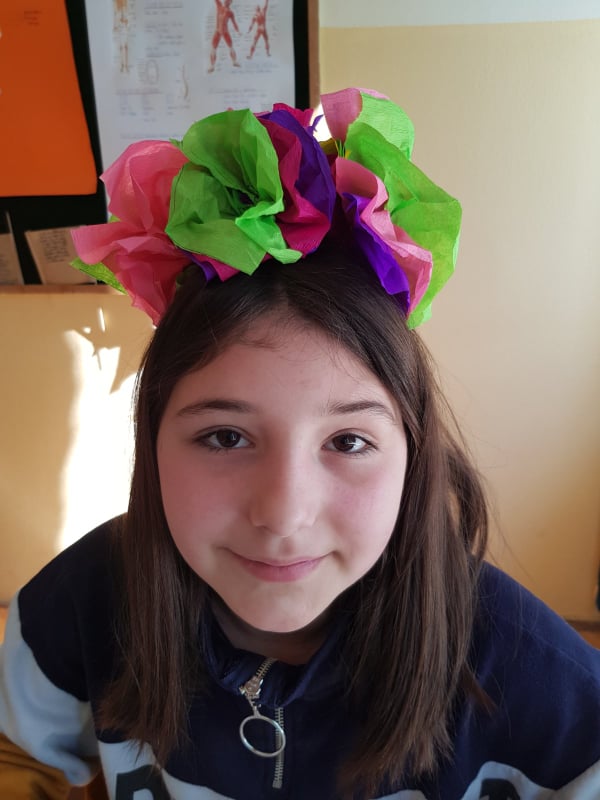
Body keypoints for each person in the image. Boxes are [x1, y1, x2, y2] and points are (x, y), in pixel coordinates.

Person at [1, 88, 599, 800]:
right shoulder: (76, 605)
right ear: (151, 440)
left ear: (414, 456)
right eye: (225, 436)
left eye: (347, 440)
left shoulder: (530, 671)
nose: (284, 515)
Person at [208, 0, 240, 73]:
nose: (226, 1)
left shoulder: (230, 12)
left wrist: (238, 31)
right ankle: (212, 66)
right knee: (213, 48)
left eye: (228, 1)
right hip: (218, 31)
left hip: (225, 31)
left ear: (230, 2)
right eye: (226, 0)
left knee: (231, 47)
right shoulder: (219, 6)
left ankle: (234, 62)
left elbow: (234, 23)